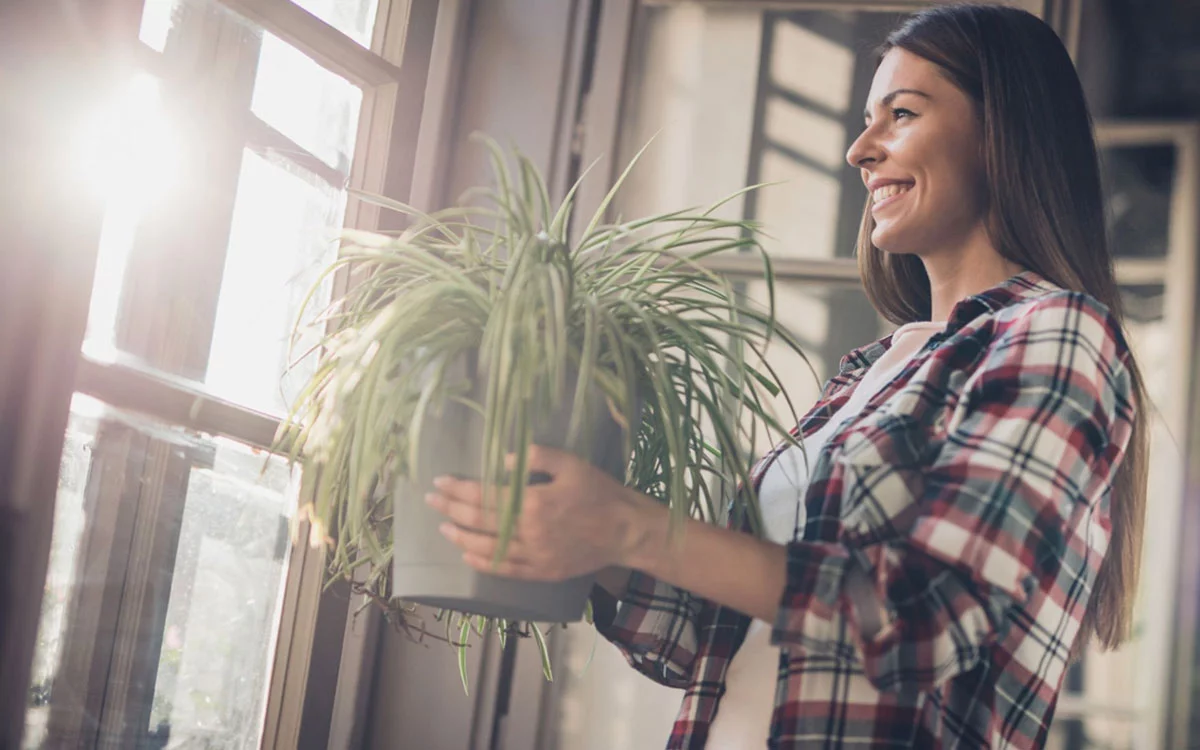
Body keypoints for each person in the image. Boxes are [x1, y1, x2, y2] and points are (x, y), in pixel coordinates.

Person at [425, 4, 1150, 747]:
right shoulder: (873, 371)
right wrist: (583, 533)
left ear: (1005, 131)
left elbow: (924, 620)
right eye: (868, 119)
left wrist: (627, 525)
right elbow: (713, 636)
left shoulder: (1058, 334)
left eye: (900, 114)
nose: (859, 150)